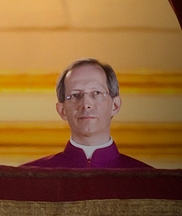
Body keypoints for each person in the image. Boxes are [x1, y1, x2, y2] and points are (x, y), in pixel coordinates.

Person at [21, 58, 152, 169]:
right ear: (62, 110)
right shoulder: (28, 178)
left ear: (115, 105)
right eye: (75, 95)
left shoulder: (150, 180)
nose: (86, 104)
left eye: (96, 93)